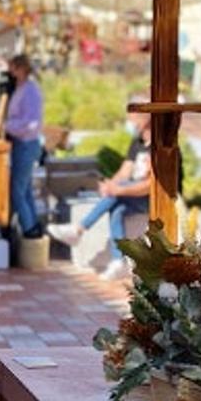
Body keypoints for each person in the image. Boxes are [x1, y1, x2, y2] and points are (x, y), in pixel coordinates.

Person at [48, 107, 153, 281]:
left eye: (133, 119)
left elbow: (149, 186)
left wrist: (118, 189)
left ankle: (78, 230)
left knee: (115, 197)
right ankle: (118, 261)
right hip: (128, 196)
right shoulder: (137, 143)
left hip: (147, 198)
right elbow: (124, 173)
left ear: (145, 121)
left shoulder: (159, 147)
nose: (130, 123)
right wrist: (111, 185)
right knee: (117, 208)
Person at [5, 54, 45, 239]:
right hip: (21, 143)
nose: (10, 72)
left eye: (13, 68)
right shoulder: (22, 88)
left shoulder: (30, 90)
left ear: (20, 69)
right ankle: (33, 224)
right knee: (25, 188)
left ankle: (29, 227)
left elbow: (31, 122)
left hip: (26, 144)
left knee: (17, 190)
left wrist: (6, 126)